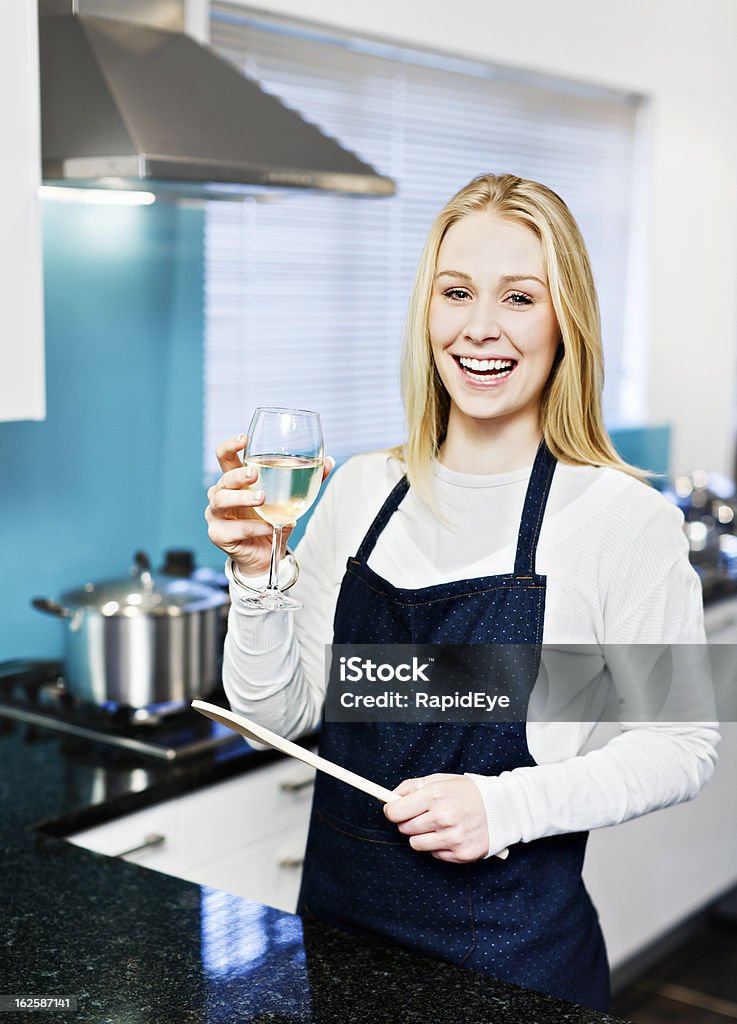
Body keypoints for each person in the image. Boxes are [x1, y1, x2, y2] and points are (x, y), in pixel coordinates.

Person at [204, 173, 720, 1013]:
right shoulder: (363, 490)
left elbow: (684, 745)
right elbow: (277, 714)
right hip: (337, 945)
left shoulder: (622, 518)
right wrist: (259, 575)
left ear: (566, 321)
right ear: (427, 312)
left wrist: (504, 804)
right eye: (456, 292)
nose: (480, 328)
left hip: (512, 964)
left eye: (519, 296)